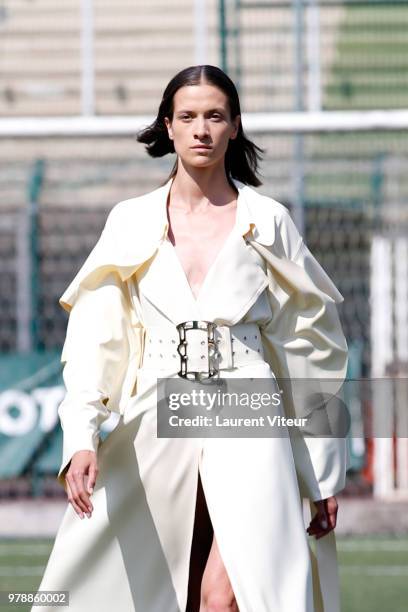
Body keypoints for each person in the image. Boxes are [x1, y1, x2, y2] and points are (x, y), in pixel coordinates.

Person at [34, 65, 348, 612]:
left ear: (234, 127)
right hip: (155, 415)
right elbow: (96, 341)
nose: (202, 129)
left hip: (249, 411)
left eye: (215, 116)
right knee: (146, 593)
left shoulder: (269, 221)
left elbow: (308, 345)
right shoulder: (129, 221)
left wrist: (321, 470)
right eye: (188, 117)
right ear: (168, 127)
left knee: (224, 599)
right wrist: (81, 434)